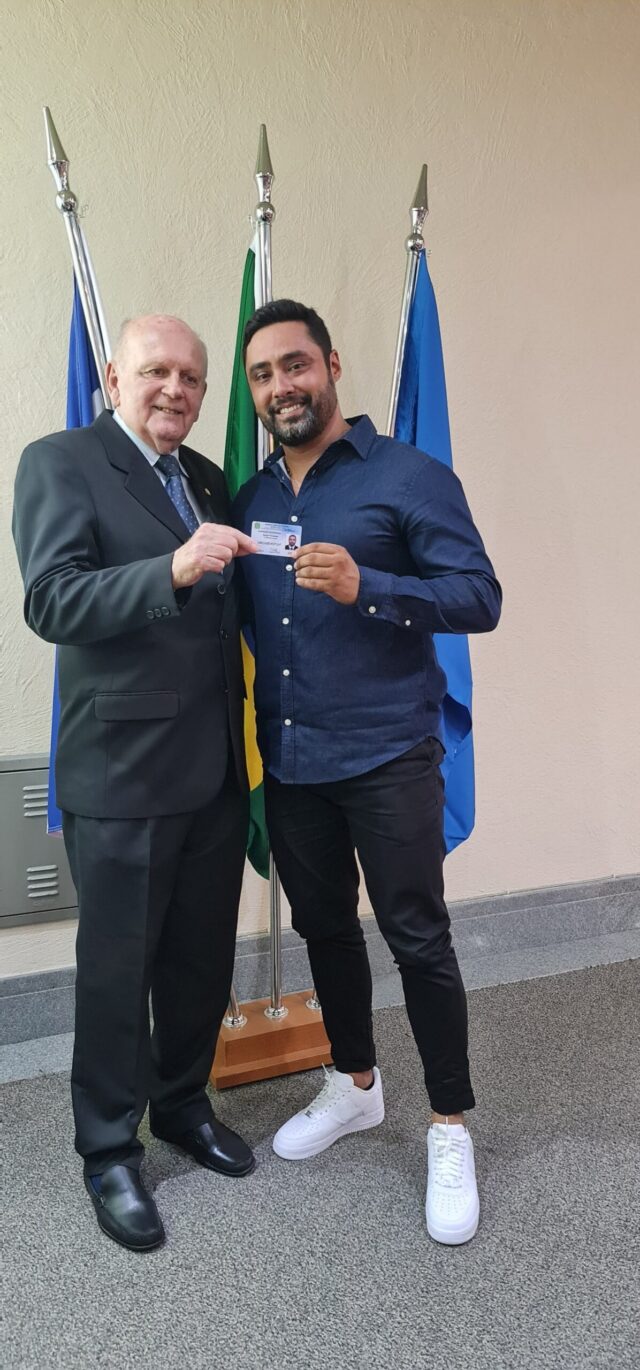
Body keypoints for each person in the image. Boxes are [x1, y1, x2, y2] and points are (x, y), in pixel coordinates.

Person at [232, 299, 502, 1246]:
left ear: (332, 365)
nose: (281, 386)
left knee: (417, 938)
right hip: (293, 760)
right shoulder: (252, 500)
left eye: (295, 365)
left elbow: (480, 597)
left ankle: (449, 1124)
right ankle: (355, 1084)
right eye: (263, 374)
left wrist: (370, 586)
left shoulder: (408, 475)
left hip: (389, 754)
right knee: (324, 931)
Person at [12, 315, 258, 1252]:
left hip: (216, 769)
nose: (176, 390)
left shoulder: (207, 478)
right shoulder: (60, 462)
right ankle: (109, 1150)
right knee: (118, 975)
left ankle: (182, 1106)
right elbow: (52, 599)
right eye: (157, 371)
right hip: (122, 773)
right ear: (115, 378)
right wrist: (172, 567)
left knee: (199, 961)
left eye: (191, 378)